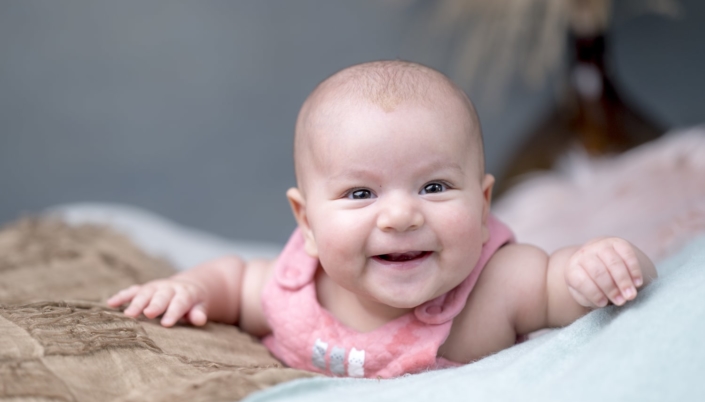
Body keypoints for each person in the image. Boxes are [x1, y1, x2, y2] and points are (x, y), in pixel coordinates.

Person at [107, 60, 657, 378]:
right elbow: (230, 279)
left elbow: (563, 286)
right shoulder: (294, 291)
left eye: (435, 187)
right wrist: (187, 289)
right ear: (307, 223)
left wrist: (600, 265)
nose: (399, 215)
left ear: (484, 206)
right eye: (360, 192)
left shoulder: (501, 285)